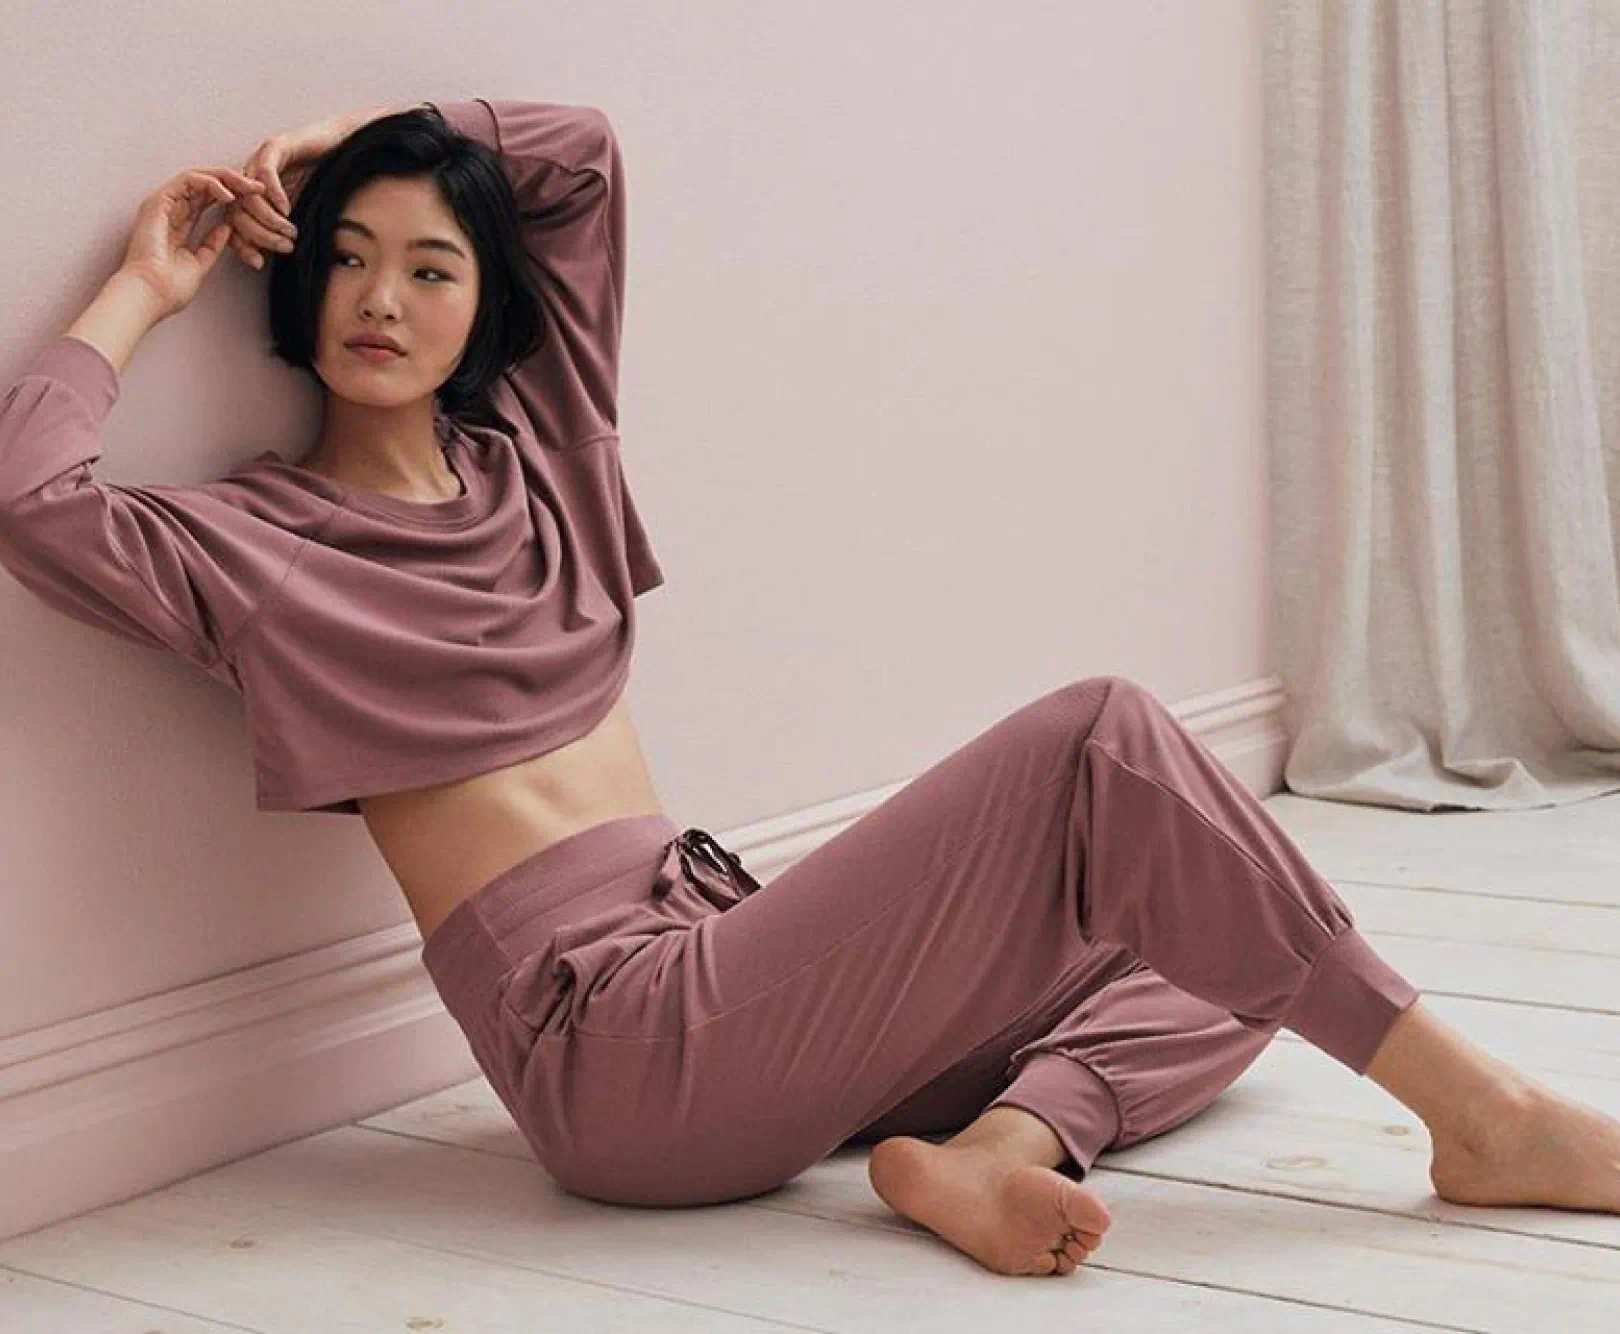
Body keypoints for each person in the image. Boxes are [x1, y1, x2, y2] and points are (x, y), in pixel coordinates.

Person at [2, 100, 1617, 1282]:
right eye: (347, 257)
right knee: (1112, 741)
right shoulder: (258, 538)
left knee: (1223, 920)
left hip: (718, 952)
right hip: (615, 1054)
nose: (380, 297)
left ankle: (997, 1147)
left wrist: (341, 142)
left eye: (432, 268)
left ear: (489, 307)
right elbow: (33, 498)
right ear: (301, 294)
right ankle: (1483, 1113)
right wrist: (154, 274)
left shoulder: (540, 462)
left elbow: (576, 157)